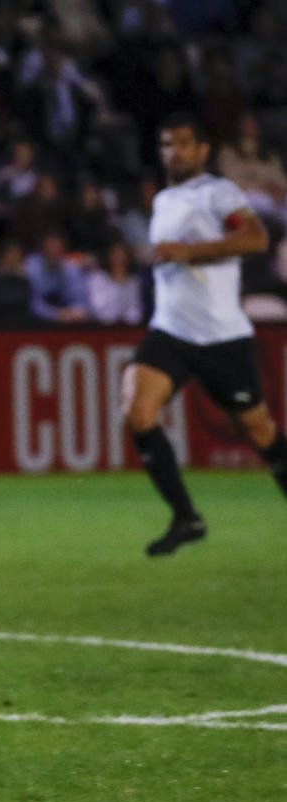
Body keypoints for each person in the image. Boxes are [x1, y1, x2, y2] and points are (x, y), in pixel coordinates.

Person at [122, 113, 287, 555]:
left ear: (201, 150)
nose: (172, 152)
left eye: (181, 143)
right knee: (137, 411)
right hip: (171, 330)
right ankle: (186, 517)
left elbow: (254, 240)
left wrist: (189, 252)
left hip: (221, 337)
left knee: (259, 430)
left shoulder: (219, 192)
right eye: (165, 144)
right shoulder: (164, 200)